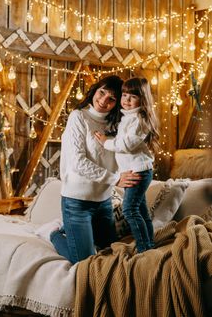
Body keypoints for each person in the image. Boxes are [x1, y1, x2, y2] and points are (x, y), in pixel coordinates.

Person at [50, 75, 140, 264]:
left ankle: (73, 232)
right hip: (77, 202)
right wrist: (115, 179)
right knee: (85, 262)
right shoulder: (79, 117)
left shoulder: (117, 124)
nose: (103, 100)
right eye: (102, 92)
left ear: (118, 103)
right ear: (95, 90)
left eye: (112, 98)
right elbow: (78, 162)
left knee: (111, 257)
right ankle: (55, 234)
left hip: (104, 203)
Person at [95, 77, 160, 253]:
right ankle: (149, 244)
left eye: (132, 96)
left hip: (138, 171)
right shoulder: (128, 117)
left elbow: (126, 145)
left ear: (142, 99)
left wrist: (105, 142)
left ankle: (143, 247)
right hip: (136, 170)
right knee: (141, 211)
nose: (126, 100)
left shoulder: (139, 120)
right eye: (124, 95)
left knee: (130, 210)